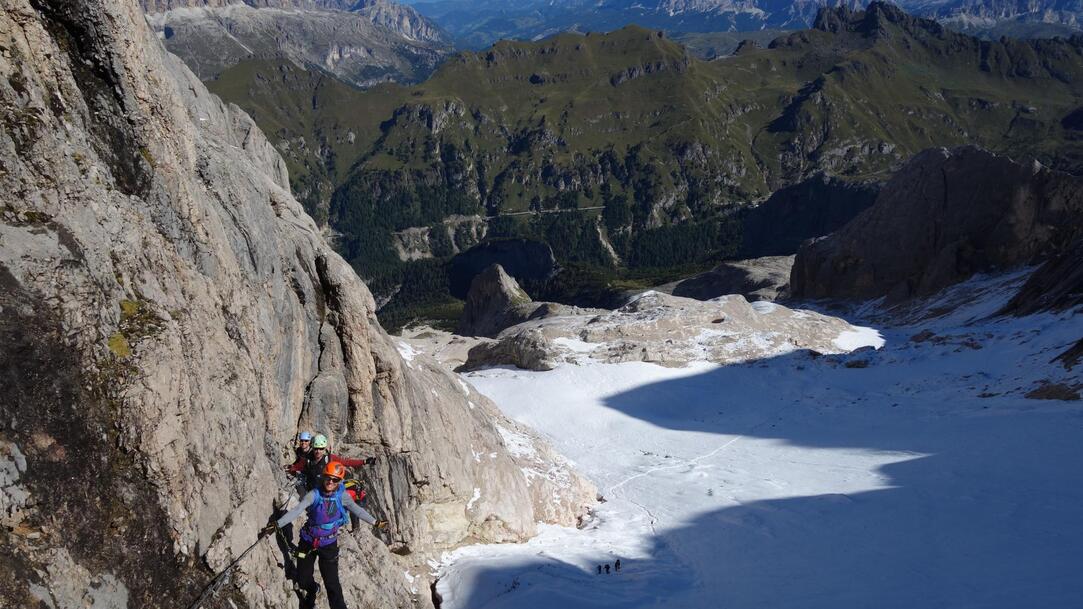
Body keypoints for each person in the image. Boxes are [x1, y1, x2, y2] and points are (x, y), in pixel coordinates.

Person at [263, 461, 389, 609]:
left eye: (335, 479)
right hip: (308, 541)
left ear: (339, 481)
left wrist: (375, 522)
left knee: (332, 584)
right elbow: (296, 511)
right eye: (328, 478)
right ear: (323, 477)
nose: (330, 482)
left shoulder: (343, 496)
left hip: (329, 545)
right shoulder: (314, 495)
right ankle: (312, 589)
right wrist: (278, 524)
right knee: (303, 580)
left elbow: (357, 510)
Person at [287, 434, 374, 491]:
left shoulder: (329, 458)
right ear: (312, 448)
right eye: (316, 448)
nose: (318, 451)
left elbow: (346, 462)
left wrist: (364, 461)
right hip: (313, 491)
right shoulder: (308, 459)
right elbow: (297, 467)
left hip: (327, 490)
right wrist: (291, 468)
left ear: (324, 449)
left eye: (321, 449)